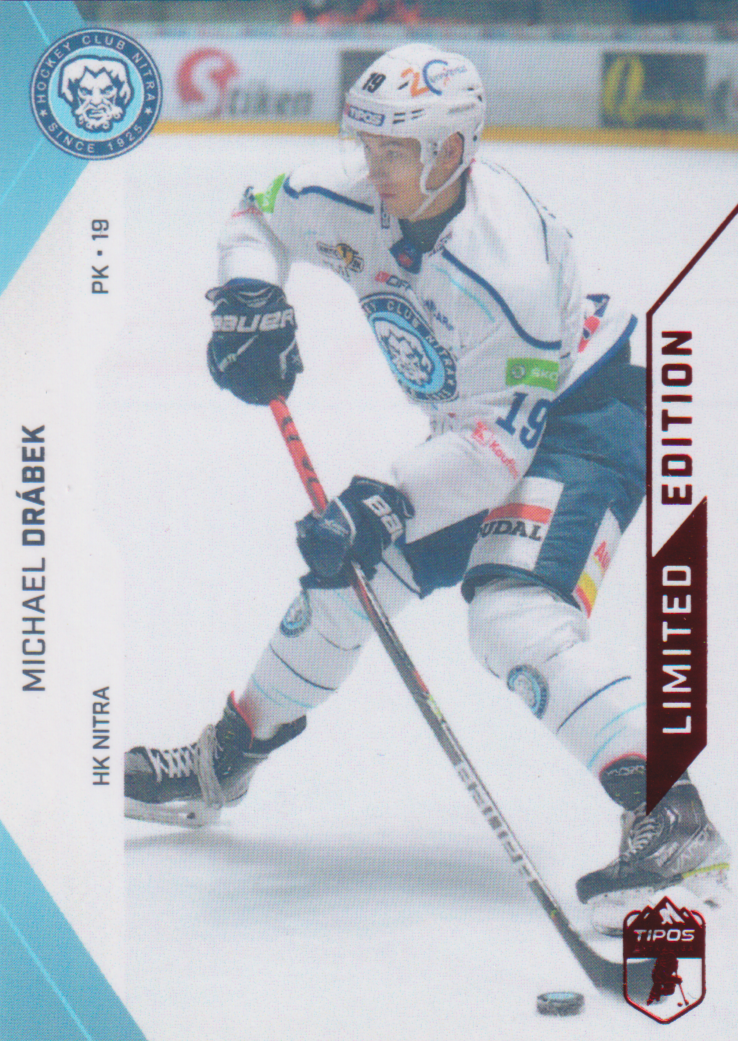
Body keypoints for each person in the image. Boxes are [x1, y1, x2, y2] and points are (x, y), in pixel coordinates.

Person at [124, 44, 729, 926]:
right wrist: (247, 300)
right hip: (481, 428)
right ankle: (223, 761)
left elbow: (500, 450)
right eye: (367, 144)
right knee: (346, 584)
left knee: (513, 613)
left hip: (582, 416)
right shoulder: (355, 197)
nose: (374, 168)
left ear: (452, 151)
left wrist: (390, 500)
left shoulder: (508, 266)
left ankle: (673, 814)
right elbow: (256, 213)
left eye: (396, 151)